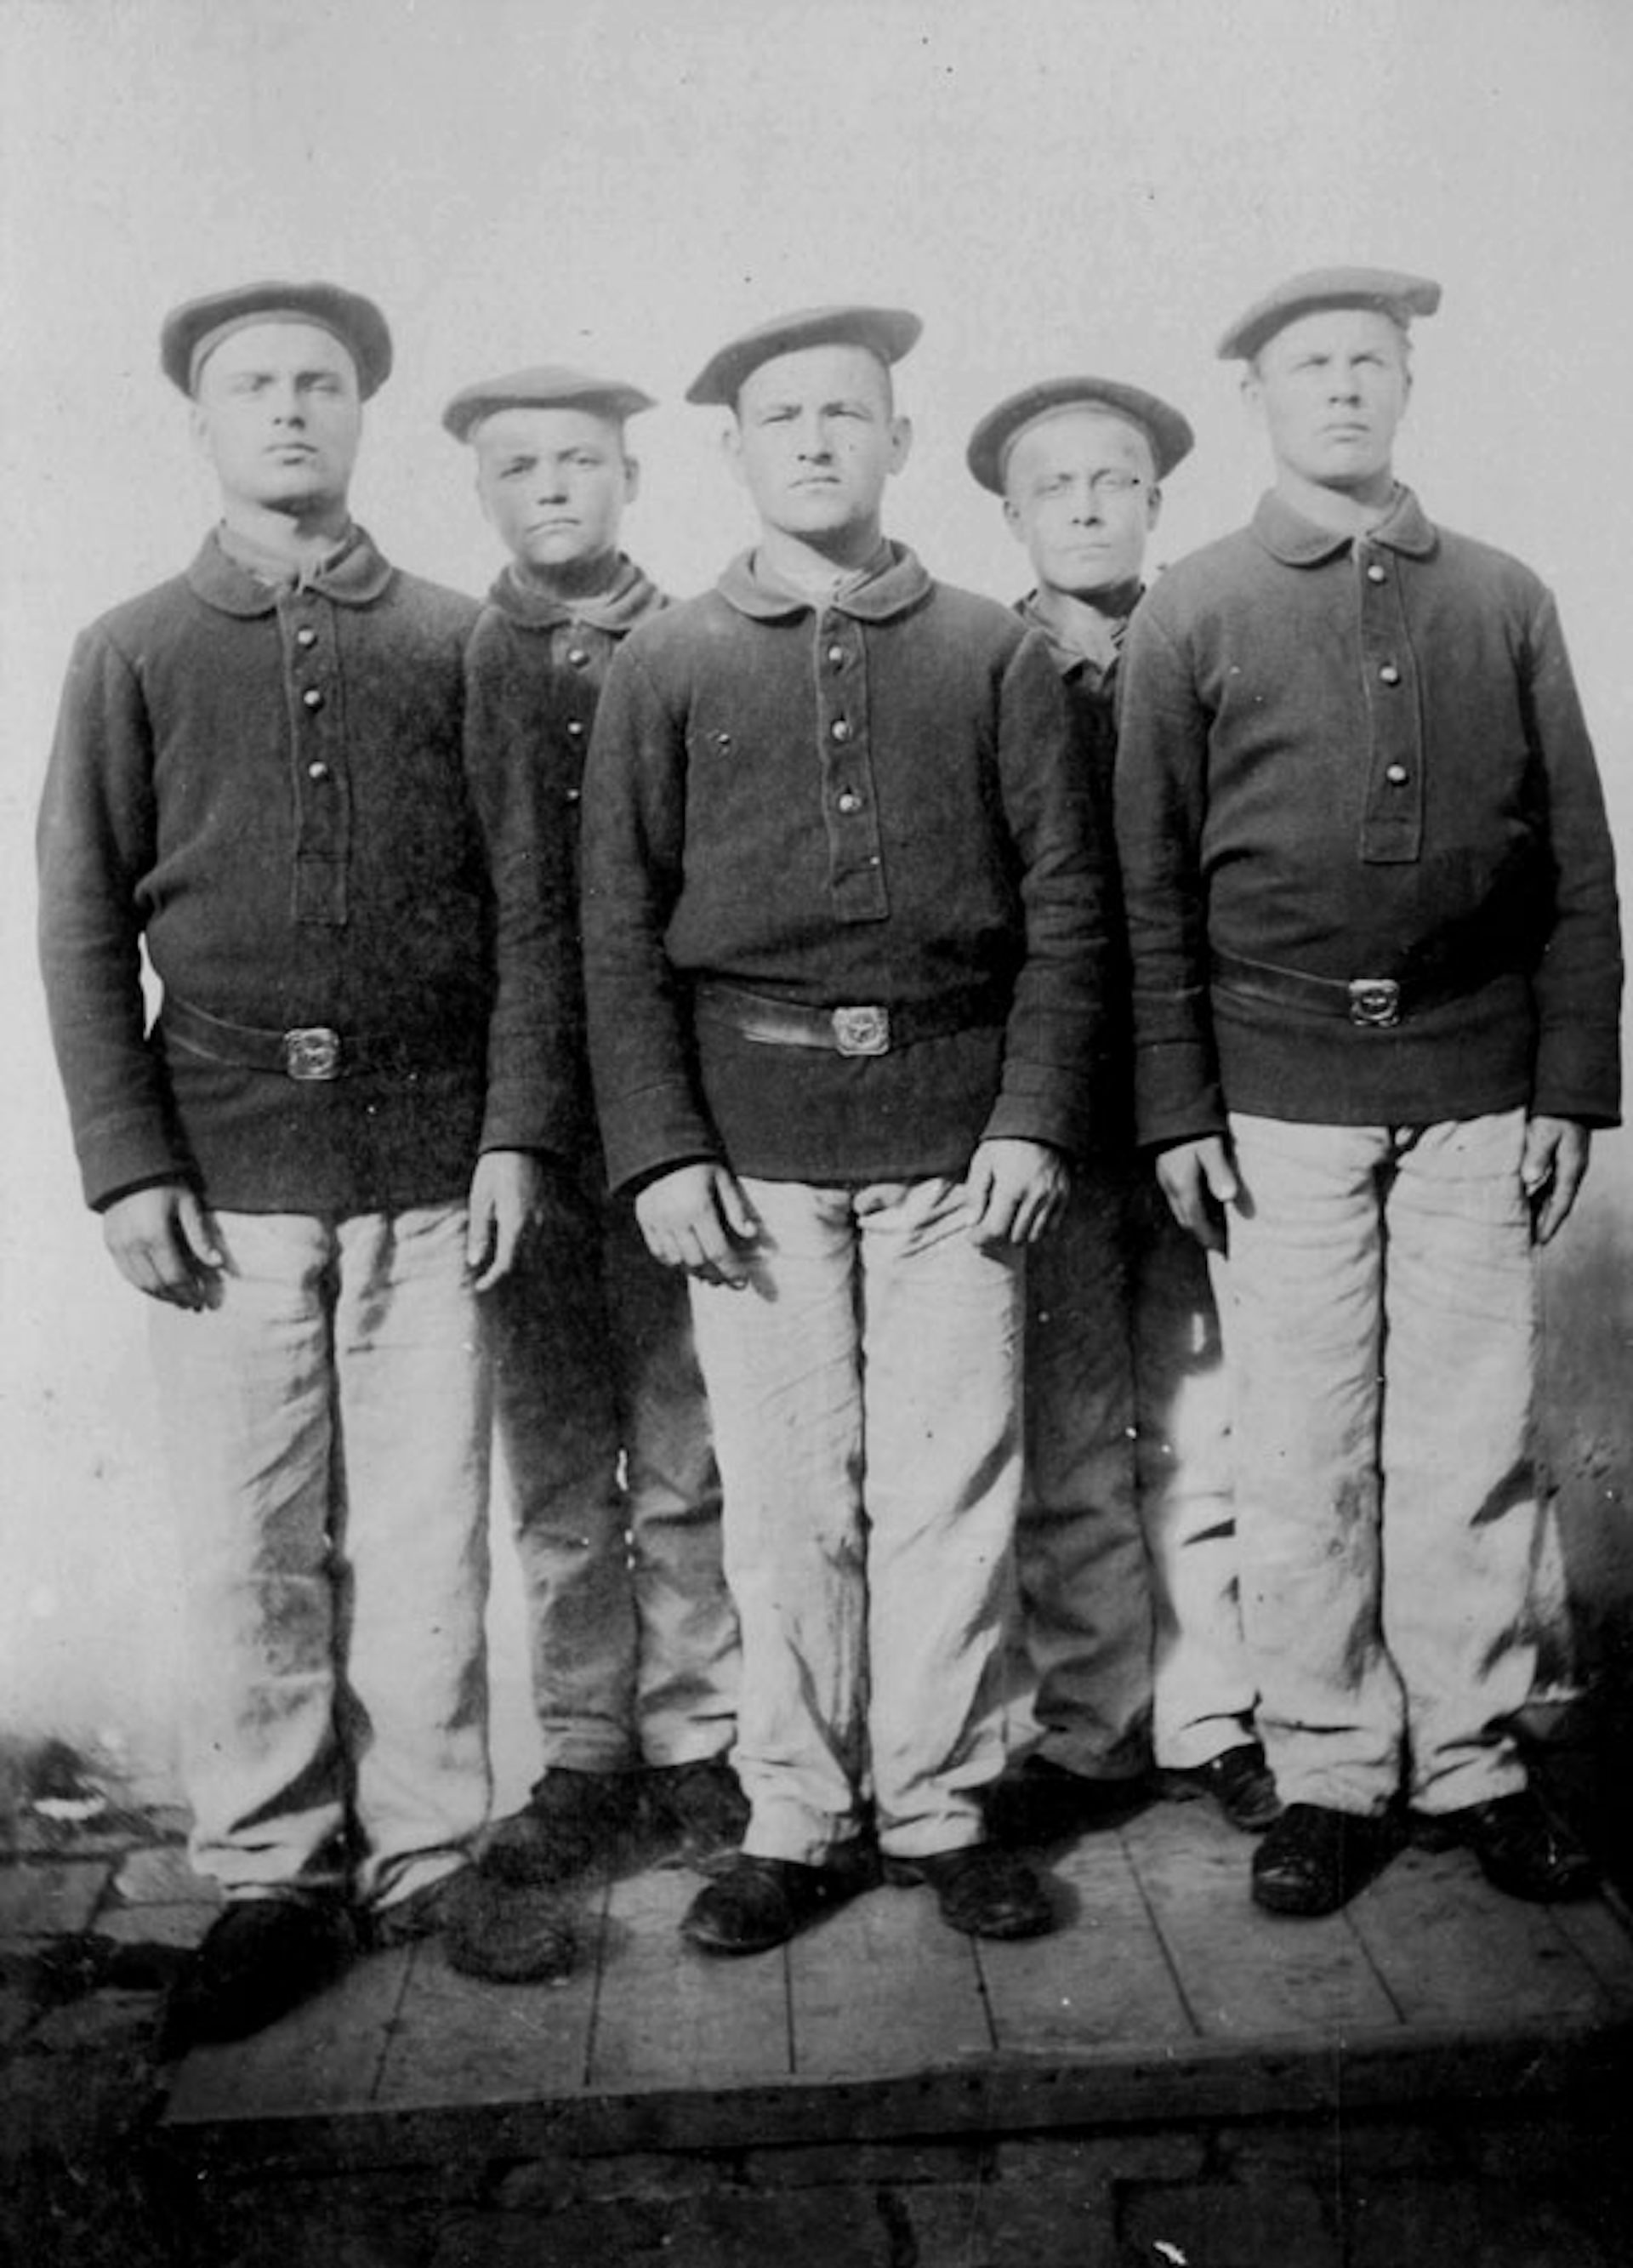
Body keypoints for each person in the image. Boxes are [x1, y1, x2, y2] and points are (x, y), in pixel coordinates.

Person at [37, 281, 578, 2047]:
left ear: (362, 417)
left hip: (430, 1161)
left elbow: (530, 911)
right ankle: (278, 1864)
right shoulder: (131, 648)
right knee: (252, 1534)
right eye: (252, 385)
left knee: (426, 1523)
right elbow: (73, 920)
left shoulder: (455, 637)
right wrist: (128, 1163)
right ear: (198, 420)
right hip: (224, 1170)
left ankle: (429, 1852)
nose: (289, 410)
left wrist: (512, 1134)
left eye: (322, 384)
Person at [580, 304, 1109, 1952]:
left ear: (893, 440)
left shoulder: (990, 653)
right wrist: (664, 1150)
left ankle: (945, 1802)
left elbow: (1071, 909)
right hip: (749, 1155)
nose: (814, 440)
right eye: (780, 417)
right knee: (788, 1493)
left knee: (953, 1484)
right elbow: (614, 926)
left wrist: (1028, 1122)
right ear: (736, 452)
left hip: (965, 1152)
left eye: (845, 415)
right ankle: (800, 1816)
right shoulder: (666, 662)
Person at [1115, 266, 1622, 1917]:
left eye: (1368, 363)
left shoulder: (1502, 595)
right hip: (1277, 1091)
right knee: (1306, 1435)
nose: (1341, 388)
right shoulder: (1195, 607)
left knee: (1468, 1429)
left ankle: (1473, 1753)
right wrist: (1181, 1105)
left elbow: (1581, 870)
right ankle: (1330, 1762)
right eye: (1307, 366)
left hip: (1477, 1079)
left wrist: (1566, 1081)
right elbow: (1145, 892)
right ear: (1258, 397)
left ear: (1407, 385)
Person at [965, 377, 1277, 1843]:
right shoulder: (972, 665)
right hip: (1052, 1113)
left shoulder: (1212, 643)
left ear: (1159, 500)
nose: (1088, 506)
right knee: (1072, 1423)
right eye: (1056, 487)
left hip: (1202, 1093)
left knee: (1204, 1412)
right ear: (1010, 516)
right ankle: (1092, 1722)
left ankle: (1218, 1708)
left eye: (1117, 480)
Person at [443, 365, 743, 1885]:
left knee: (684, 1436)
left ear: (631, 473)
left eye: (581, 460)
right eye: (519, 466)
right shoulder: (458, 656)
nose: (553, 486)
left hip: (673, 1107)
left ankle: (698, 1736)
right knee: (555, 1455)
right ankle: (583, 1750)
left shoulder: (698, 647)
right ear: (482, 491)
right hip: (510, 1119)